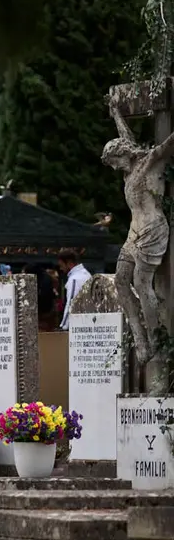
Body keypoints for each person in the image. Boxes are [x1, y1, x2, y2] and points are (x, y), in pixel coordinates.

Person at [102, 94, 174, 360]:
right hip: (133, 233)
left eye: (114, 162)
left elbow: (167, 145)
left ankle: (155, 341)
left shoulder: (150, 162)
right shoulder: (128, 170)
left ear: (123, 155)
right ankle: (138, 337)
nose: (113, 169)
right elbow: (126, 138)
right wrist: (117, 112)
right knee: (121, 281)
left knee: (141, 283)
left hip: (153, 229)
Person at [57, 252, 92, 331]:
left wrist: (64, 326)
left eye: (61, 265)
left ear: (69, 263)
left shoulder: (75, 279)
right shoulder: (86, 274)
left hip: (78, 324)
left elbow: (71, 303)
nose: (60, 268)